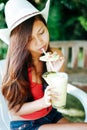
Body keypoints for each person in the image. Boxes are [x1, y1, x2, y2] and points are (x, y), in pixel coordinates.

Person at [0, 0, 87, 130]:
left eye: (41, 32)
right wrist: (43, 102)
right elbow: (14, 110)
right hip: (27, 125)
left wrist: (57, 73)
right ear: (20, 43)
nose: (40, 42)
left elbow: (57, 100)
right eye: (29, 39)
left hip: (51, 115)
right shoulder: (15, 69)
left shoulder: (54, 55)